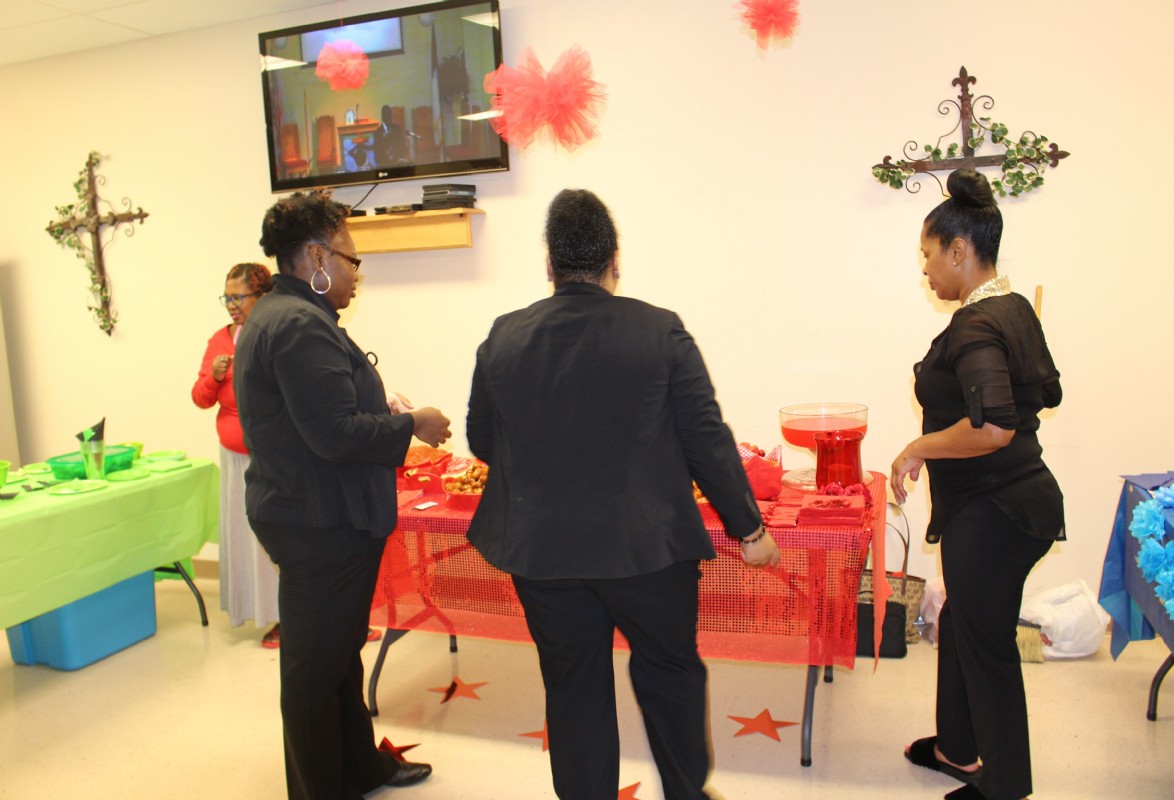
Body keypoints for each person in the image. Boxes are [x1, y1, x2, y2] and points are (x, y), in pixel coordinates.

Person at [465, 189, 780, 800]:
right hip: (648, 548)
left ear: (550, 265)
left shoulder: (504, 335)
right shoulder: (659, 329)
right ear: (614, 261)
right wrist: (750, 530)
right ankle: (686, 792)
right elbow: (706, 440)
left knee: (573, 685)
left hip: (544, 553)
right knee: (669, 672)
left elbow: (482, 440)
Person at [234, 191, 451, 799]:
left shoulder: (283, 314)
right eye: (352, 260)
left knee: (336, 655)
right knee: (314, 671)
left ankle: (360, 768)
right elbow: (333, 434)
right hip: (319, 522)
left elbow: (316, 415)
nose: (357, 274)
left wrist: (375, 403)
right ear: (316, 257)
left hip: (314, 510)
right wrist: (412, 424)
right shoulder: (299, 324)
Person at [890, 169, 1064, 800]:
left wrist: (917, 447)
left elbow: (992, 428)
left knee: (986, 644)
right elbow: (1047, 391)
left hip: (996, 512)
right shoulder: (1012, 309)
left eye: (929, 255)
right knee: (964, 621)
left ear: (959, 250)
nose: (926, 270)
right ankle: (957, 749)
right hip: (1012, 501)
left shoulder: (976, 324)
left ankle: (1006, 786)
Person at [191, 263, 281, 647]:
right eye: (226, 298)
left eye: (238, 297)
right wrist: (213, 376)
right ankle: (261, 612)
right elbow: (200, 398)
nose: (231, 305)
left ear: (262, 296)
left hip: (273, 457)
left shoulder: (275, 333)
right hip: (234, 458)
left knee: (276, 538)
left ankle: (287, 616)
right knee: (246, 538)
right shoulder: (220, 340)